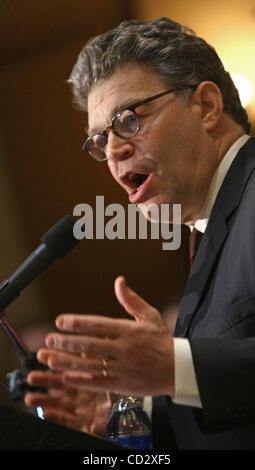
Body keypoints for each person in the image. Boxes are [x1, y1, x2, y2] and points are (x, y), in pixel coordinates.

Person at [25, 17, 255, 449]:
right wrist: (133, 410)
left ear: (206, 106)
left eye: (128, 119)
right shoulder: (209, 228)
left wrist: (176, 366)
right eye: (99, 139)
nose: (113, 151)